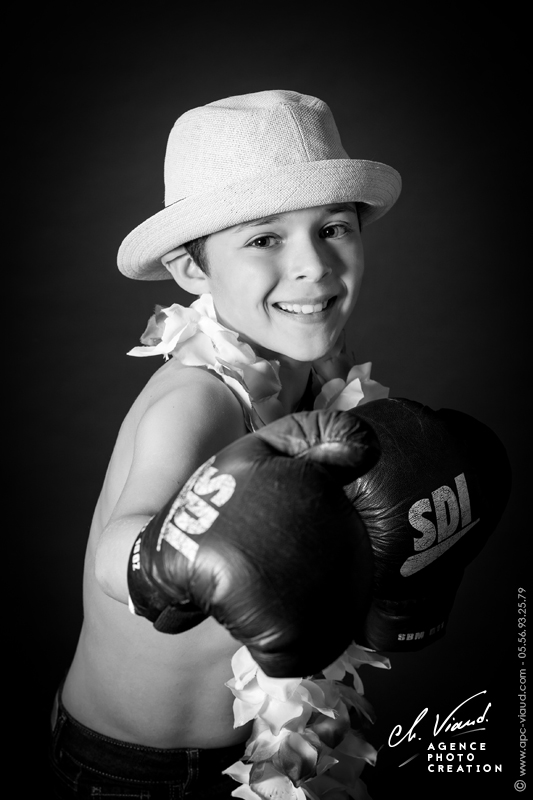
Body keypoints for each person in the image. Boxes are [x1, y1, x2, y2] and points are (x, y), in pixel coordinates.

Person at [49, 89, 402, 798]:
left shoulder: (316, 369)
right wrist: (166, 564)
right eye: (263, 239)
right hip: (136, 774)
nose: (313, 266)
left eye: (332, 227)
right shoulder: (200, 398)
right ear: (190, 271)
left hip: (274, 755)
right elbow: (115, 548)